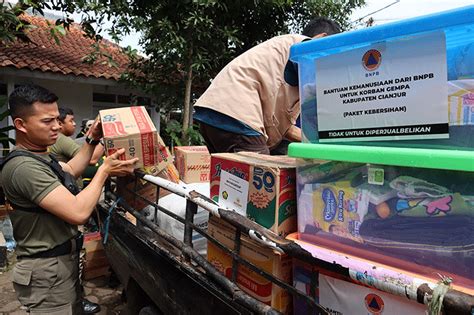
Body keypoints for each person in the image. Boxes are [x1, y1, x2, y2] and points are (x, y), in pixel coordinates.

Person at [1, 84, 138, 314]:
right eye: (47, 121)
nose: (56, 127)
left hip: (62, 262)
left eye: (57, 119)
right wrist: (104, 171)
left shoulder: (40, 157)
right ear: (20, 125)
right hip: (46, 272)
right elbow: (78, 212)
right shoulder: (23, 167)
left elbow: (72, 169)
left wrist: (92, 140)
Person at [194, 17, 341, 154]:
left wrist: (318, 144)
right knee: (261, 175)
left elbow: (287, 130)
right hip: (236, 113)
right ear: (320, 38)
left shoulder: (283, 64)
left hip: (215, 112)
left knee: (228, 177)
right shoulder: (303, 46)